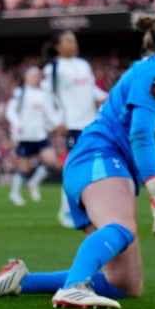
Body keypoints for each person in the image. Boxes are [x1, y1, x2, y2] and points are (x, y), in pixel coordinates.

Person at [0, 10, 155, 309]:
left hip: (99, 164)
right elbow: (140, 135)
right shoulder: (153, 74)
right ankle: (74, 287)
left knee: (124, 283)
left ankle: (22, 281)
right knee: (121, 227)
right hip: (100, 158)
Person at [42, 30, 108, 227]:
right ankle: (66, 210)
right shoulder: (53, 68)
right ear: (57, 46)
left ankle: (90, 207)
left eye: (75, 40)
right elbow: (47, 98)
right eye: (68, 41)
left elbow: (92, 89)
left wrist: (106, 96)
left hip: (92, 123)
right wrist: (56, 121)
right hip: (72, 125)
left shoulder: (83, 64)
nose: (74, 44)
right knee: (74, 167)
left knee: (93, 167)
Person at [3, 65, 63, 206]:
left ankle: (33, 183)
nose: (36, 78)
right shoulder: (20, 92)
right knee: (24, 168)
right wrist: (17, 124)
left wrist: (56, 124)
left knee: (51, 160)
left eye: (38, 76)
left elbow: (50, 113)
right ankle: (15, 194)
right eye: (33, 76)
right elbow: (10, 111)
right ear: (26, 77)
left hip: (40, 134)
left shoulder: (43, 94)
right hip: (25, 135)